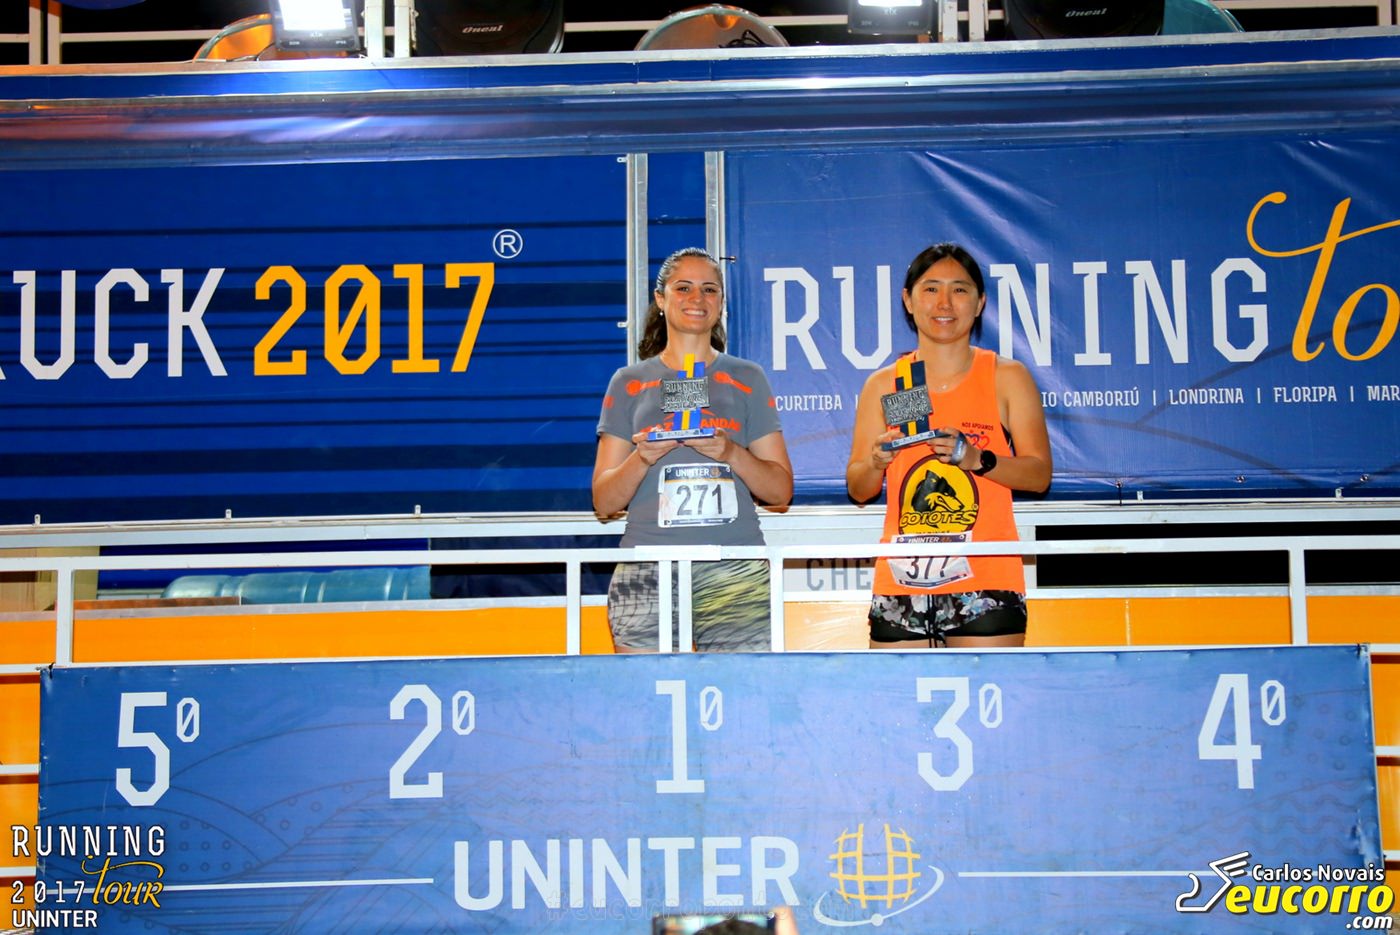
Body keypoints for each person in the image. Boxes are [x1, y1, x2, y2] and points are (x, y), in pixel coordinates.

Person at [846, 242, 1052, 648]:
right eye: (930, 289)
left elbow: (1039, 475)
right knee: (895, 692)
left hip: (986, 578)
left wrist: (978, 459)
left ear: (979, 303)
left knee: (989, 691)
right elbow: (859, 488)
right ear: (908, 300)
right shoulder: (886, 383)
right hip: (902, 579)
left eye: (959, 289)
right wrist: (875, 462)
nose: (944, 303)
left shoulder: (1006, 376)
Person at [593, 247, 793, 652]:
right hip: (648, 567)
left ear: (721, 302)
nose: (697, 298)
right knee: (647, 689)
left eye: (709, 289)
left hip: (734, 566)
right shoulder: (627, 382)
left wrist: (730, 453)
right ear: (660, 298)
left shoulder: (748, 377)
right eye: (683, 288)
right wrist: (642, 458)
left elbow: (780, 492)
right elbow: (604, 502)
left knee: (740, 689)